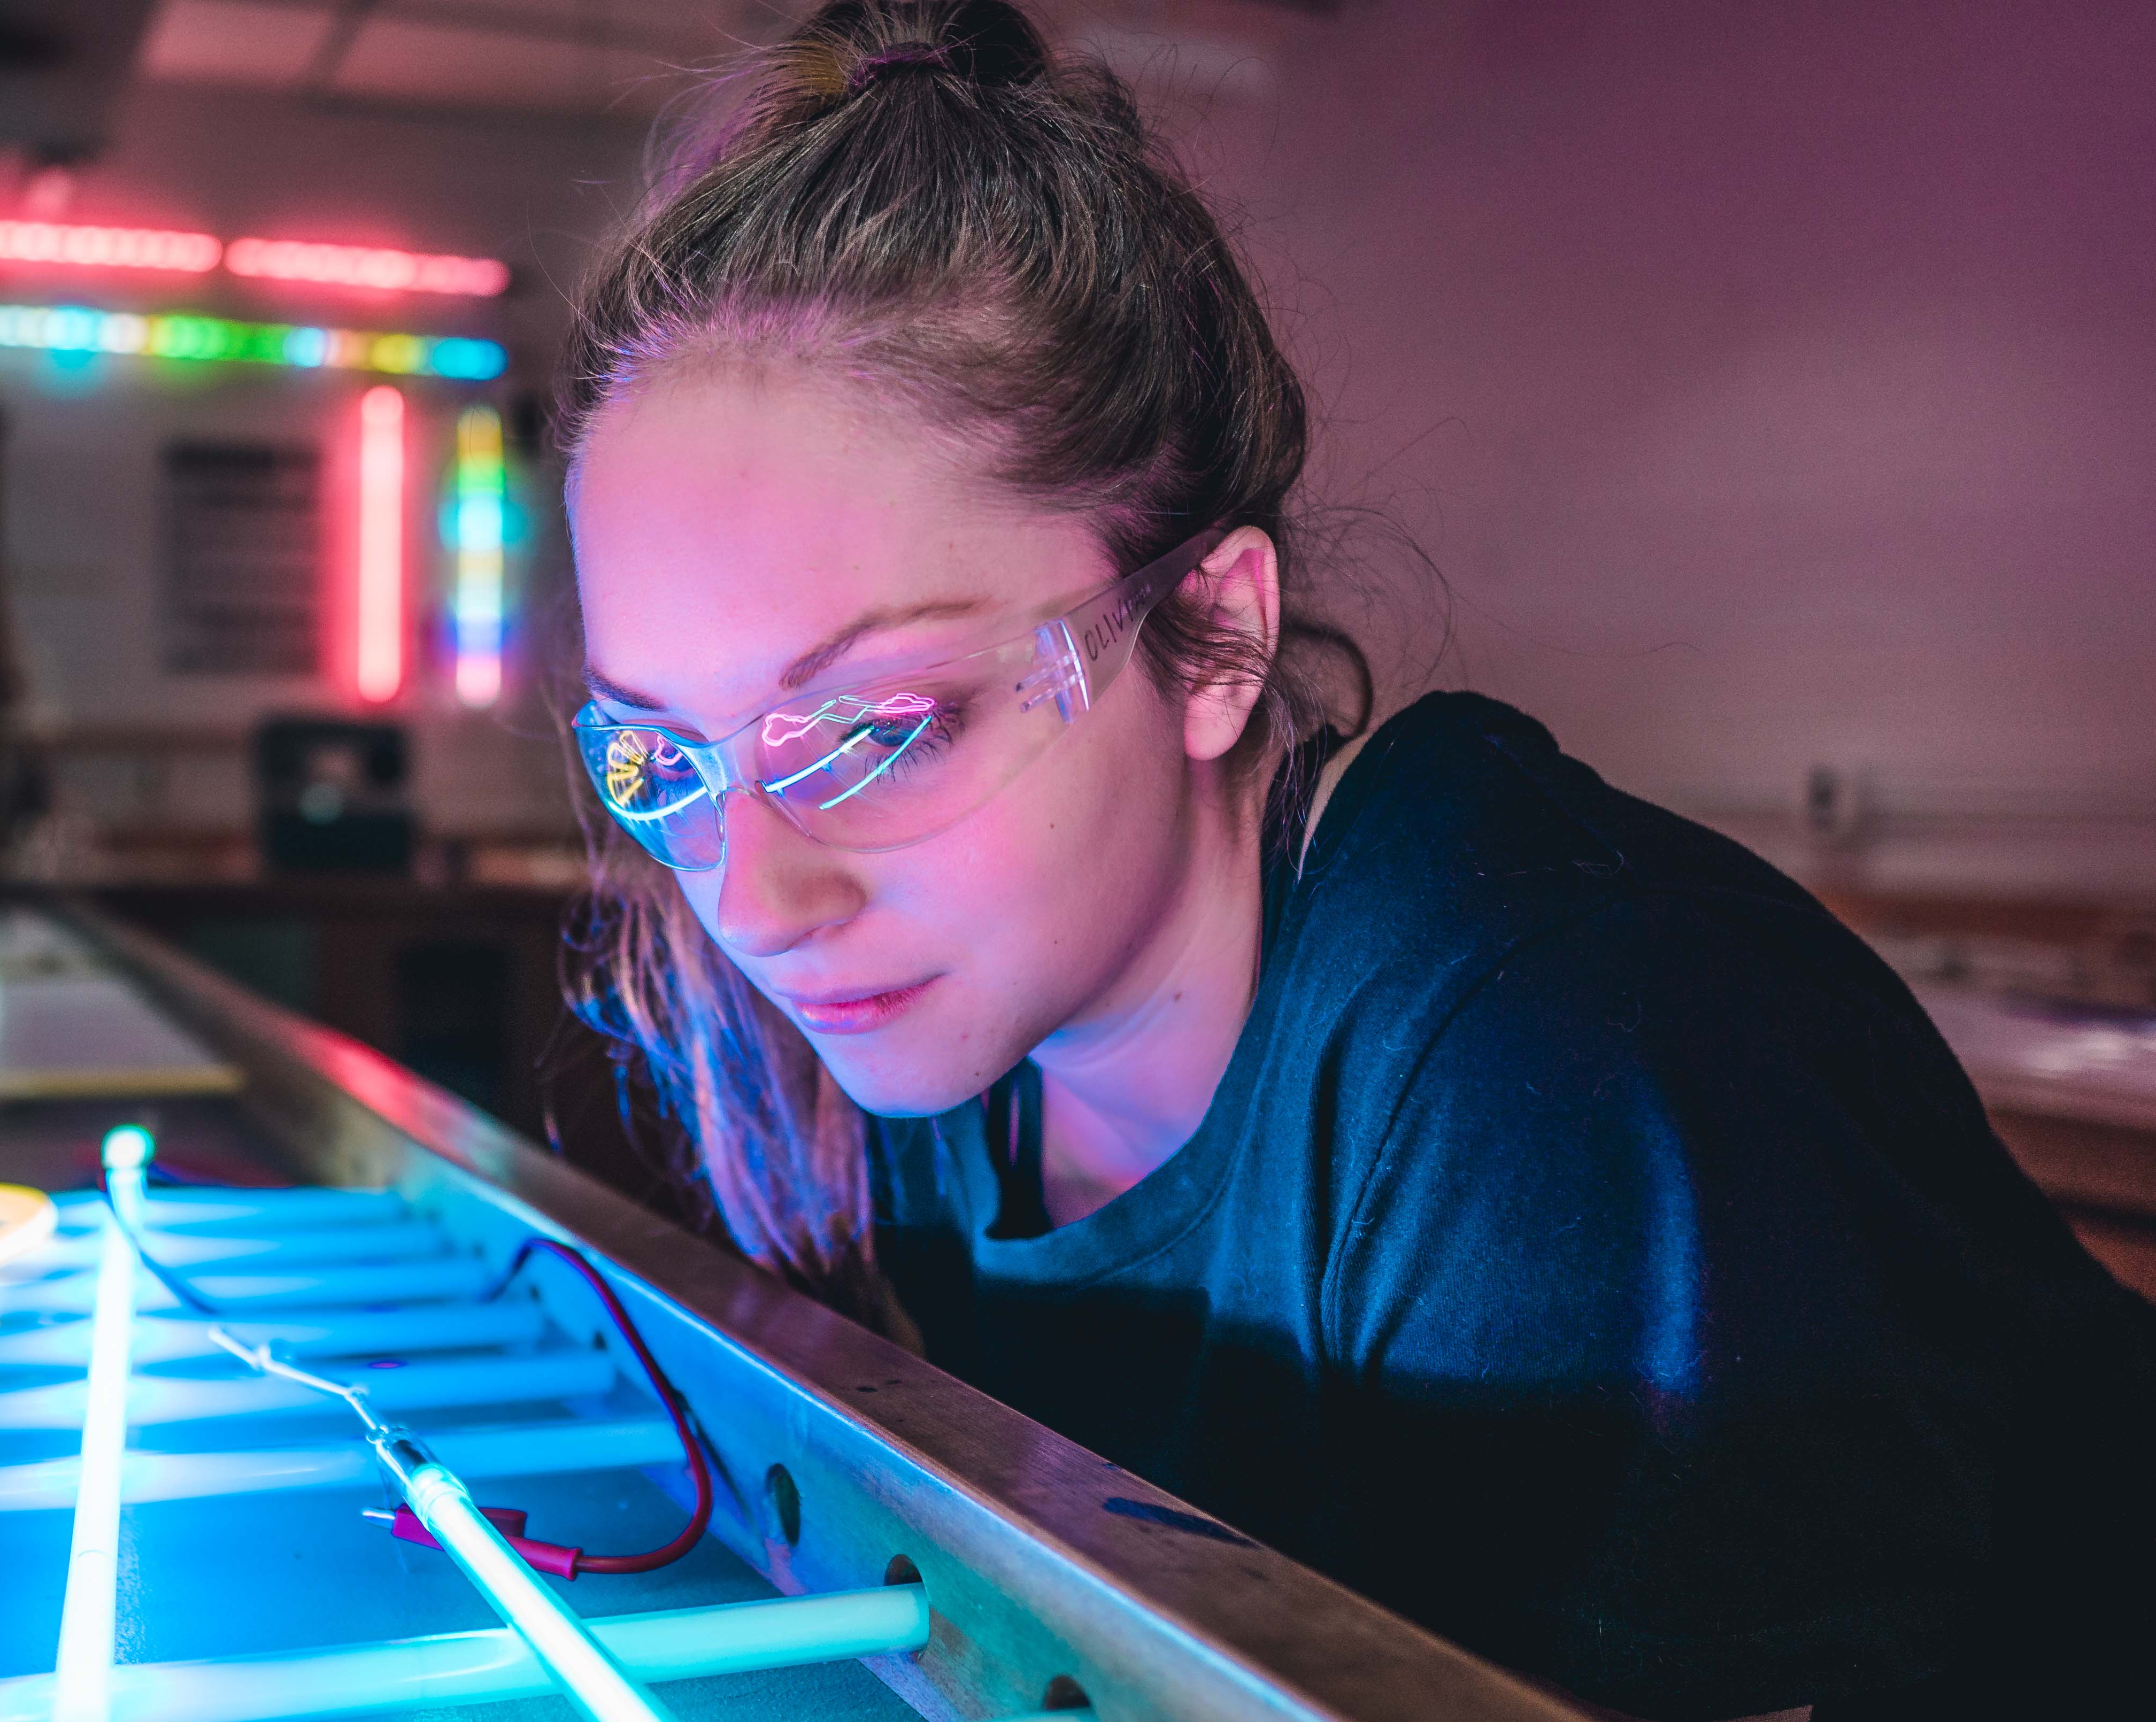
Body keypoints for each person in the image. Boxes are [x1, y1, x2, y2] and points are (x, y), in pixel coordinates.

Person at [551, 5, 2156, 1718]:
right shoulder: (956, 1031)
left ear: (1214, 634)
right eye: (662, 760)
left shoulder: (1564, 1061)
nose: (755, 902)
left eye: (878, 730)